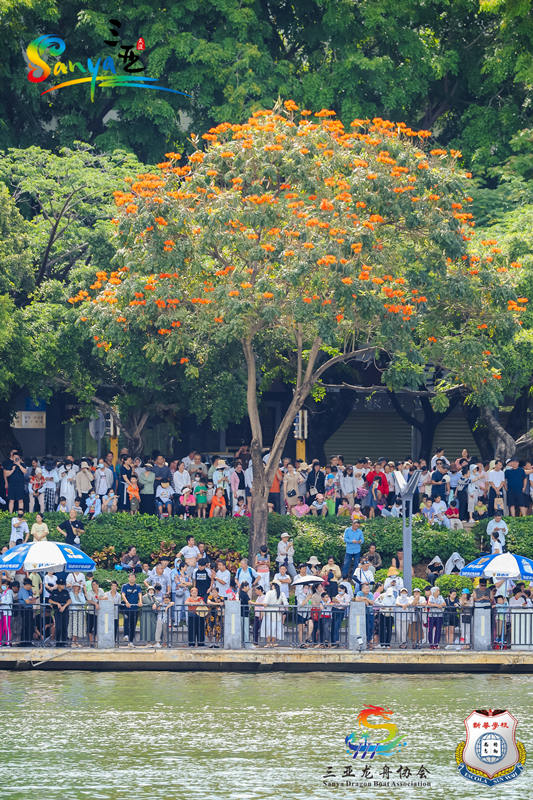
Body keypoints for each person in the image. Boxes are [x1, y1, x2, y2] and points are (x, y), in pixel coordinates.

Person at [261, 580, 288, 647]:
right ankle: (273, 643)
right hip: (277, 613)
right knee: (275, 629)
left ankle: (268, 643)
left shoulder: (269, 593)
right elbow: (286, 604)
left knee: (268, 628)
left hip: (268, 613)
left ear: (273, 585)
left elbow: (265, 603)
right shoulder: (282, 594)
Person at [121, 572, 143, 647]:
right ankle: (126, 635)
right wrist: (126, 602)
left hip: (135, 608)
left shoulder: (138, 586)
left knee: (133, 625)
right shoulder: (125, 586)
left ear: (135, 578)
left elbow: (139, 594)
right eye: (130, 577)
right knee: (127, 622)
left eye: (133, 577)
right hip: (127, 608)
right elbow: (123, 594)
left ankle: (131, 641)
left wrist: (140, 601)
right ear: (128, 578)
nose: (132, 578)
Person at [49, 577, 71, 647]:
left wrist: (64, 606)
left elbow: (69, 600)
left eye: (63, 584)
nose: (63, 586)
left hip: (65, 610)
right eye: (61, 584)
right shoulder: (54, 592)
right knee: (58, 627)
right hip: (57, 611)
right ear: (58, 585)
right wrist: (57, 603)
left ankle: (64, 642)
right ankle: (58, 642)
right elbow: (50, 600)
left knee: (65, 626)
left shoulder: (66, 592)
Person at [355, 582, 375, 648]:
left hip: (370, 613)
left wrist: (366, 599)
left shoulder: (371, 594)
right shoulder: (359, 593)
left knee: (370, 627)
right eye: (366, 588)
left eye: (368, 588)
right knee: (363, 627)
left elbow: (372, 602)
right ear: (362, 589)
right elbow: (356, 599)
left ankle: (370, 641)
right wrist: (364, 600)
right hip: (362, 614)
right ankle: (364, 642)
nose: (368, 590)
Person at [68, 583, 87, 647]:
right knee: (74, 626)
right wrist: (80, 603)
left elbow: (84, 602)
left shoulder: (81, 594)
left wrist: (79, 595)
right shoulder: (71, 593)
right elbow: (73, 602)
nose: (75, 588)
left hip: (81, 612)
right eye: (74, 586)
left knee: (79, 626)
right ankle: (73, 641)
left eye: (77, 586)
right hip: (74, 611)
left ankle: (76, 642)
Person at [0, 579, 14, 646]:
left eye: (4, 585)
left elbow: (9, 601)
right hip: (2, 611)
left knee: (7, 626)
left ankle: (8, 642)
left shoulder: (9, 591)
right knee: (1, 627)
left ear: (7, 585)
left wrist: (1, 602)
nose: (3, 586)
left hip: (7, 611)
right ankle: (0, 641)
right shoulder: (2, 592)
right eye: (2, 584)